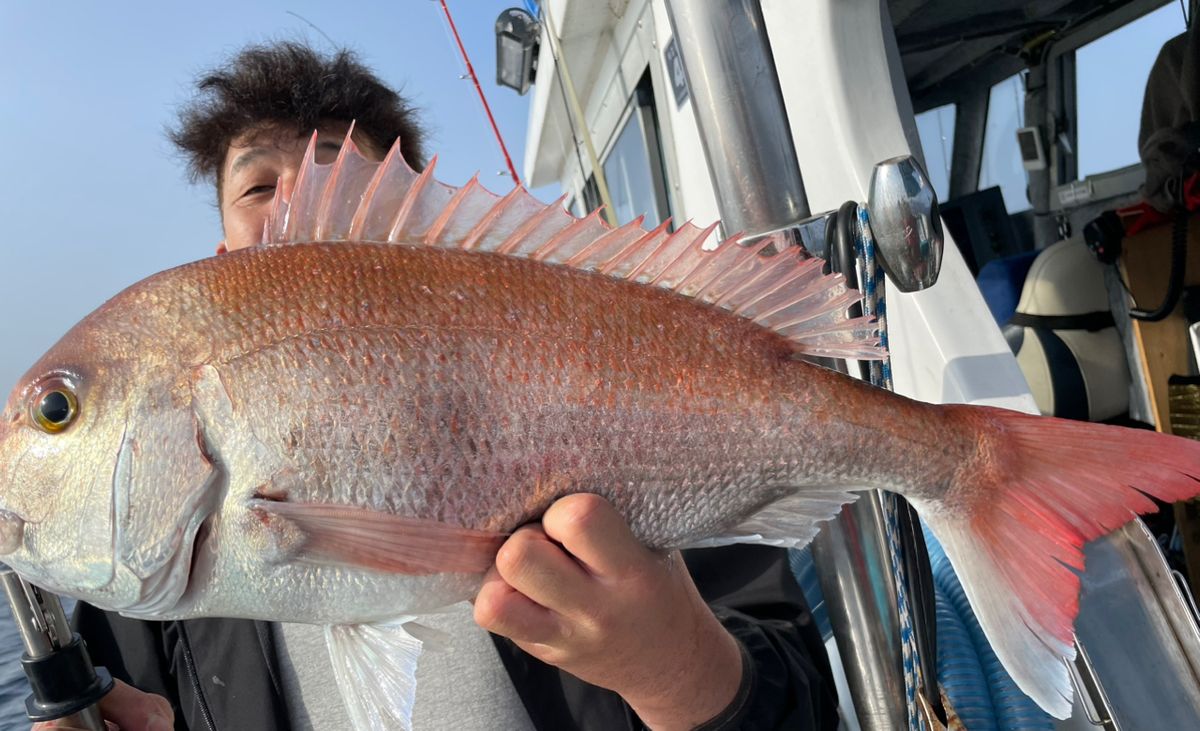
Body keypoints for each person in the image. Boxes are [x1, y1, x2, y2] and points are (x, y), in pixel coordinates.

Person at [38, 41, 838, 731]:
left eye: (338, 176)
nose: (298, 206)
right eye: (259, 187)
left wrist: (674, 667)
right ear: (219, 265)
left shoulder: (635, 405)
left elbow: (802, 697)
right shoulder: (138, 563)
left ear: (423, 228)